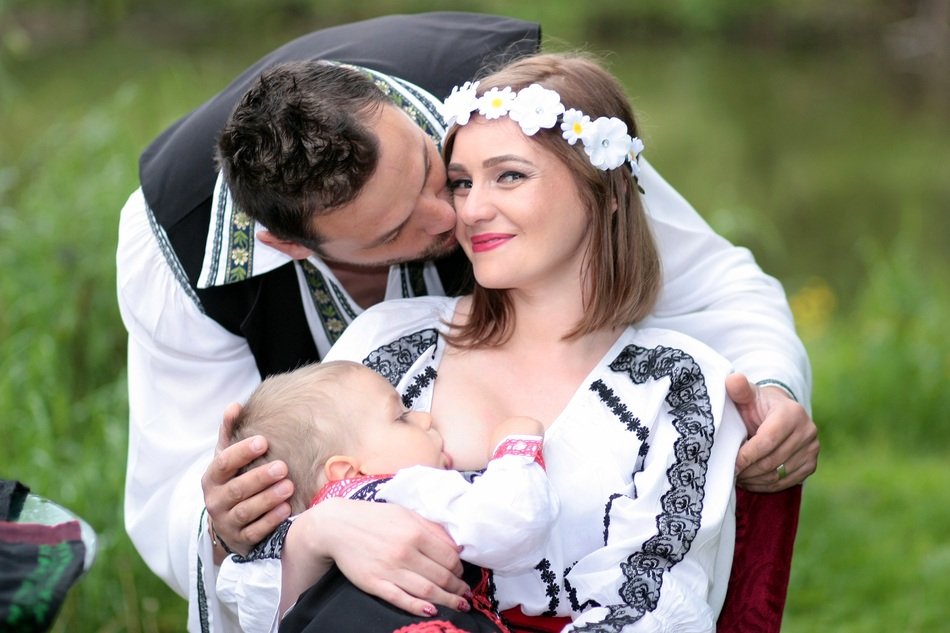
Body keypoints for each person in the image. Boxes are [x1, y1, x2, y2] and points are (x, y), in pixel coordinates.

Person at [115, 10, 817, 630]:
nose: (458, 214)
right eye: (397, 228)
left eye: (433, 170)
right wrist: (252, 524)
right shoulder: (173, 253)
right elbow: (177, 491)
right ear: (294, 246)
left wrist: (776, 390)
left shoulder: (521, 114)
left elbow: (713, 284)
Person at [281, 51, 747, 632]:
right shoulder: (391, 342)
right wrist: (313, 535)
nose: (471, 210)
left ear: (607, 190)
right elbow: (274, 572)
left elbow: (653, 610)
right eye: (460, 183)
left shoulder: (676, 382)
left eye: (510, 176)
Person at [214, 360, 556, 633]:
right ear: (349, 472)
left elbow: (262, 614)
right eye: (402, 417)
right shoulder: (410, 491)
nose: (425, 418)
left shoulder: (294, 548)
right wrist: (514, 450)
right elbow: (509, 527)